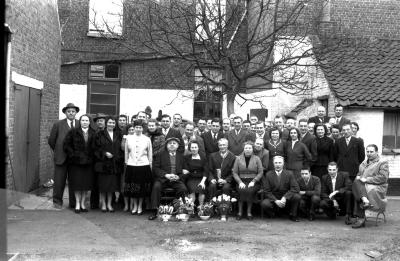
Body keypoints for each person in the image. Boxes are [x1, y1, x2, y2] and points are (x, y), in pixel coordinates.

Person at [48, 102, 80, 209]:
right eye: (69, 111)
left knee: (74, 181)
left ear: (76, 113)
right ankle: (57, 202)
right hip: (61, 158)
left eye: (73, 111)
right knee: (59, 181)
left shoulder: (80, 123)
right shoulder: (58, 124)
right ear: (65, 113)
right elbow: (52, 140)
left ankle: (73, 203)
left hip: (75, 159)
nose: (71, 113)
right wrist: (58, 150)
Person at [148, 137, 188, 220]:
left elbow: (185, 171)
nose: (172, 145)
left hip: (176, 180)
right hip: (163, 179)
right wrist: (166, 175)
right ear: (166, 145)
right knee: (156, 187)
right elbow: (156, 169)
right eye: (170, 143)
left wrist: (178, 177)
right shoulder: (160, 155)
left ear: (177, 146)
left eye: (174, 143)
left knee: (183, 189)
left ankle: (177, 208)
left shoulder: (181, 156)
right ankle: (154, 210)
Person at [351, 145, 389, 229]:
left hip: (378, 186)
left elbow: (383, 177)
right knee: (356, 183)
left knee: (357, 187)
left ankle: (359, 217)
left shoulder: (382, 162)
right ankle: (365, 201)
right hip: (363, 185)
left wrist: (367, 179)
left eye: (371, 152)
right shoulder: (363, 163)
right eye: (367, 151)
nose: (369, 153)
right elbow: (359, 174)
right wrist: (358, 177)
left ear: (376, 152)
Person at [63, 114, 95, 213]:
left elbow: (97, 147)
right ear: (80, 122)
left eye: (86, 120)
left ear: (89, 122)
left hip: (89, 163)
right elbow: (66, 145)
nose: (84, 122)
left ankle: (83, 204)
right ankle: (77, 203)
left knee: (85, 185)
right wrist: (73, 155)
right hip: (76, 163)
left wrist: (92, 157)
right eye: (83, 120)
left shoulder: (94, 133)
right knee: (77, 184)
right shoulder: (73, 132)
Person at [93, 116, 123, 212]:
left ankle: (109, 204)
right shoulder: (99, 134)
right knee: (103, 186)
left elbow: (121, 149)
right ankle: (103, 204)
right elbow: (95, 148)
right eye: (110, 122)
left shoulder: (119, 134)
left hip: (114, 165)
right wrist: (104, 153)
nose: (111, 124)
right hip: (103, 164)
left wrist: (117, 157)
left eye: (113, 123)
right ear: (106, 123)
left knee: (111, 186)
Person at [124, 120, 153, 215]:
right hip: (131, 165)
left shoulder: (147, 139)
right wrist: (126, 162)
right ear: (134, 128)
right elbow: (126, 152)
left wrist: (150, 164)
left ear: (143, 128)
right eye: (136, 127)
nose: (138, 129)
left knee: (141, 188)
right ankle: (134, 206)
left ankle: (140, 206)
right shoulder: (129, 138)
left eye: (140, 127)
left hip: (143, 165)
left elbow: (150, 153)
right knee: (133, 188)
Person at [261, 156, 301, 222]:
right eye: (276, 163)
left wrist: (285, 197)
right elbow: (266, 191)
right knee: (265, 204)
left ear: (283, 164)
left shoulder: (289, 174)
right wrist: (275, 200)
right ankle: (273, 213)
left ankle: (293, 215)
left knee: (297, 197)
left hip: (286, 197)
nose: (278, 165)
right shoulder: (268, 174)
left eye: (280, 163)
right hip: (274, 197)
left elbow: (295, 188)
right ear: (273, 164)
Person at [233, 142, 264, 220]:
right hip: (241, 181)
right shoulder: (238, 158)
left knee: (249, 191)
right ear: (243, 149)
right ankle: (239, 212)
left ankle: (249, 212)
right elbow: (235, 172)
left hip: (254, 181)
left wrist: (254, 181)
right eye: (246, 148)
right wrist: (239, 182)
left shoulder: (257, 158)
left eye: (249, 148)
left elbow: (260, 172)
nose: (248, 150)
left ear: (252, 149)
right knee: (242, 190)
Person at [182, 141, 209, 207]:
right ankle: (191, 208)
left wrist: (202, 182)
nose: (194, 149)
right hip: (191, 178)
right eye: (192, 147)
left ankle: (201, 207)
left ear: (198, 148)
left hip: (201, 178)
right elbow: (186, 170)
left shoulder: (203, 158)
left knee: (201, 189)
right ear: (190, 148)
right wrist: (187, 171)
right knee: (192, 189)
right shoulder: (186, 157)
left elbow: (206, 171)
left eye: (195, 147)